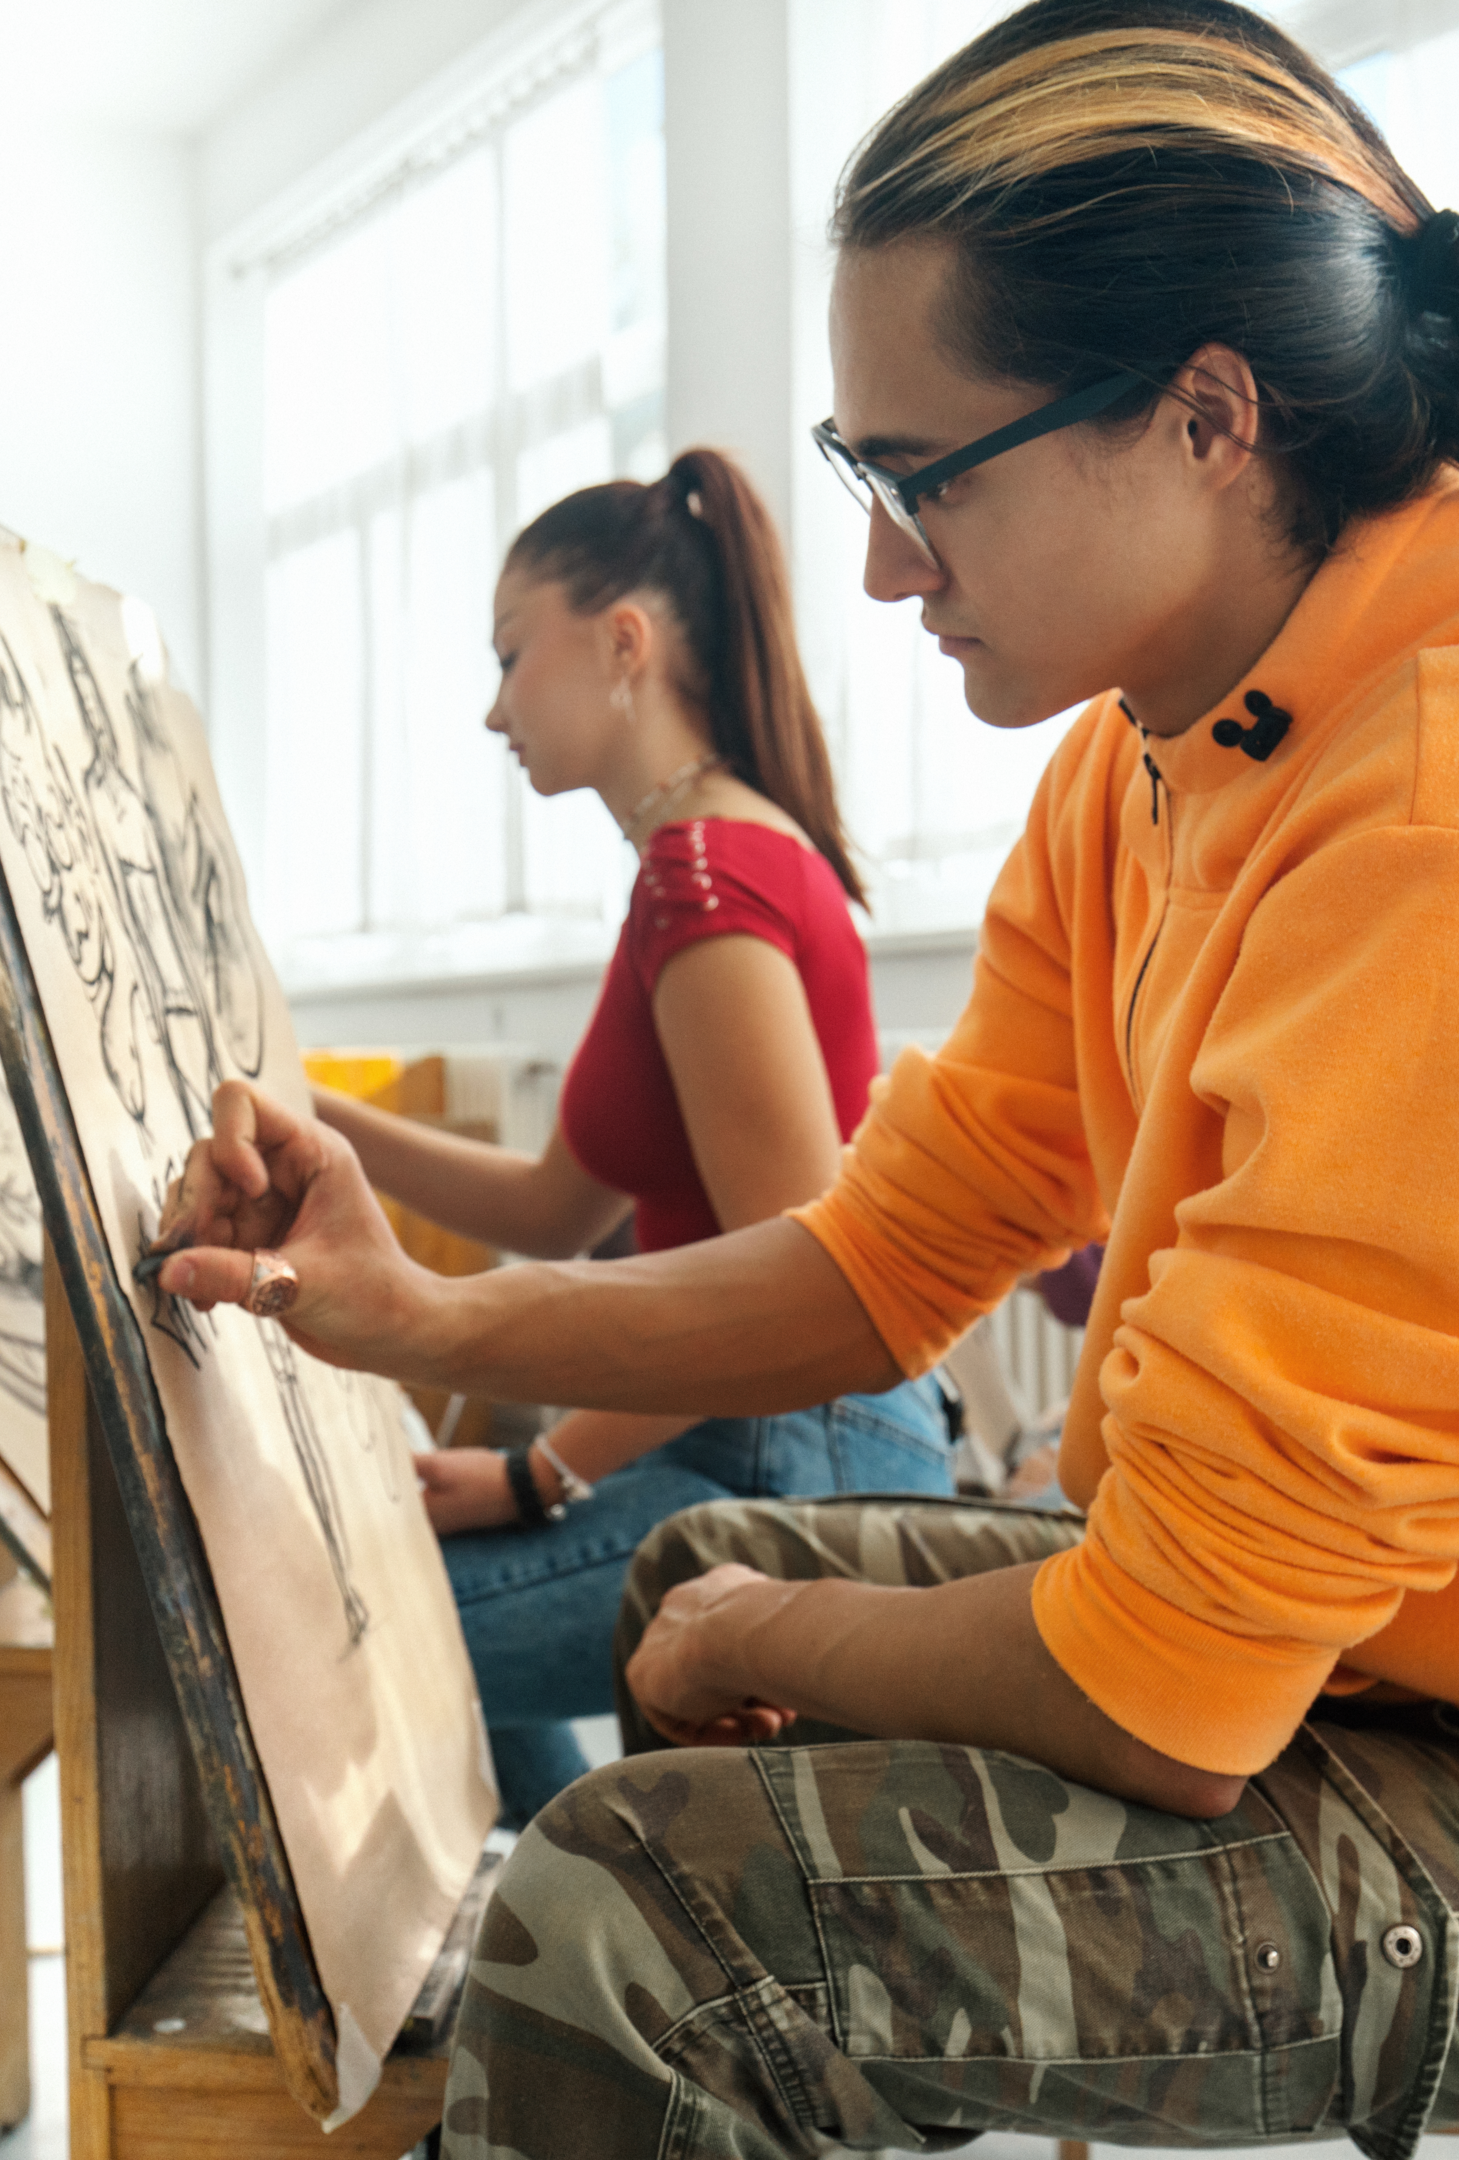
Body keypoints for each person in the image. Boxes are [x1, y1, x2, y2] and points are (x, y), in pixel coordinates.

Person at [144, 4, 1459, 2154]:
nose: (884, 565)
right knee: (681, 1569)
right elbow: (893, 1252)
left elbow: (1167, 1689)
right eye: (855, 476)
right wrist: (431, 1323)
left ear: (1201, 416)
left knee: (637, 1905)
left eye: (924, 479)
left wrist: (756, 1637)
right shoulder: (1162, 736)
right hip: (1418, 1675)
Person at [316, 449, 954, 1826]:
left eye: (507, 657)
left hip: (802, 1457)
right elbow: (556, 1208)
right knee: (386, 1644)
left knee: (329, 1652)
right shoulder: (696, 860)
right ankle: (512, 1929)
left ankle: (501, 1947)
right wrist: (323, 1122)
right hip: (751, 1439)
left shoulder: (704, 876)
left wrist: (538, 1473)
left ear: (621, 644)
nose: (492, 710)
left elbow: (792, 1277)